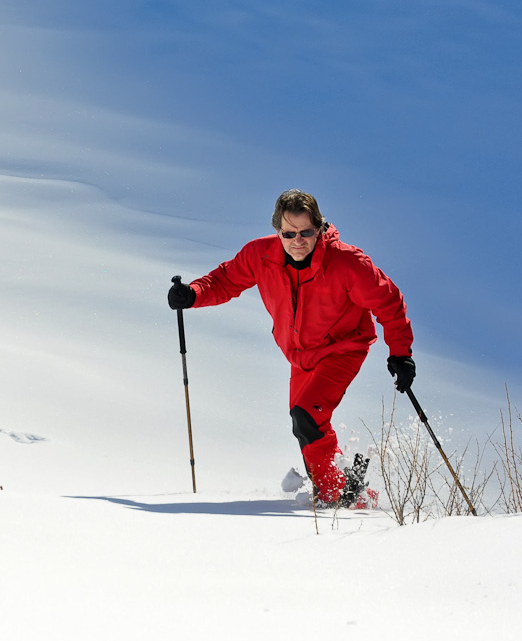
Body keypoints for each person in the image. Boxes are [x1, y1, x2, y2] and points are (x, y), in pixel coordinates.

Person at [168, 189, 415, 507]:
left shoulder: (347, 263)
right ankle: (352, 494)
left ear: (319, 228)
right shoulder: (260, 255)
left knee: (306, 415)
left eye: (306, 232)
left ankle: (333, 497)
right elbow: (226, 280)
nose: (298, 241)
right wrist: (192, 294)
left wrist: (401, 353)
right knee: (305, 426)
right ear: (278, 231)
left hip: (342, 349)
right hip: (299, 354)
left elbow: (389, 303)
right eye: (289, 233)